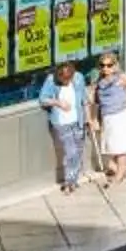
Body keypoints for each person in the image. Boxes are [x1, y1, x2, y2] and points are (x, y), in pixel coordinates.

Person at [90, 49, 126, 184]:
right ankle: (120, 169)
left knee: (120, 145)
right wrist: (94, 118)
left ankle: (120, 173)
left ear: (115, 65)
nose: (106, 68)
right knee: (110, 145)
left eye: (109, 65)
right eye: (102, 65)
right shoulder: (99, 81)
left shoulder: (121, 78)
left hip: (119, 115)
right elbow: (94, 101)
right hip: (107, 116)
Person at [38, 60, 87, 195]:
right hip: (61, 122)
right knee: (70, 152)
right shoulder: (51, 80)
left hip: (78, 120)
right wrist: (58, 103)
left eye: (67, 79)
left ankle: (73, 179)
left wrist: (90, 119)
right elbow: (42, 99)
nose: (65, 82)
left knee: (78, 151)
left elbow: (83, 99)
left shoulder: (79, 78)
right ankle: (68, 181)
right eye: (62, 79)